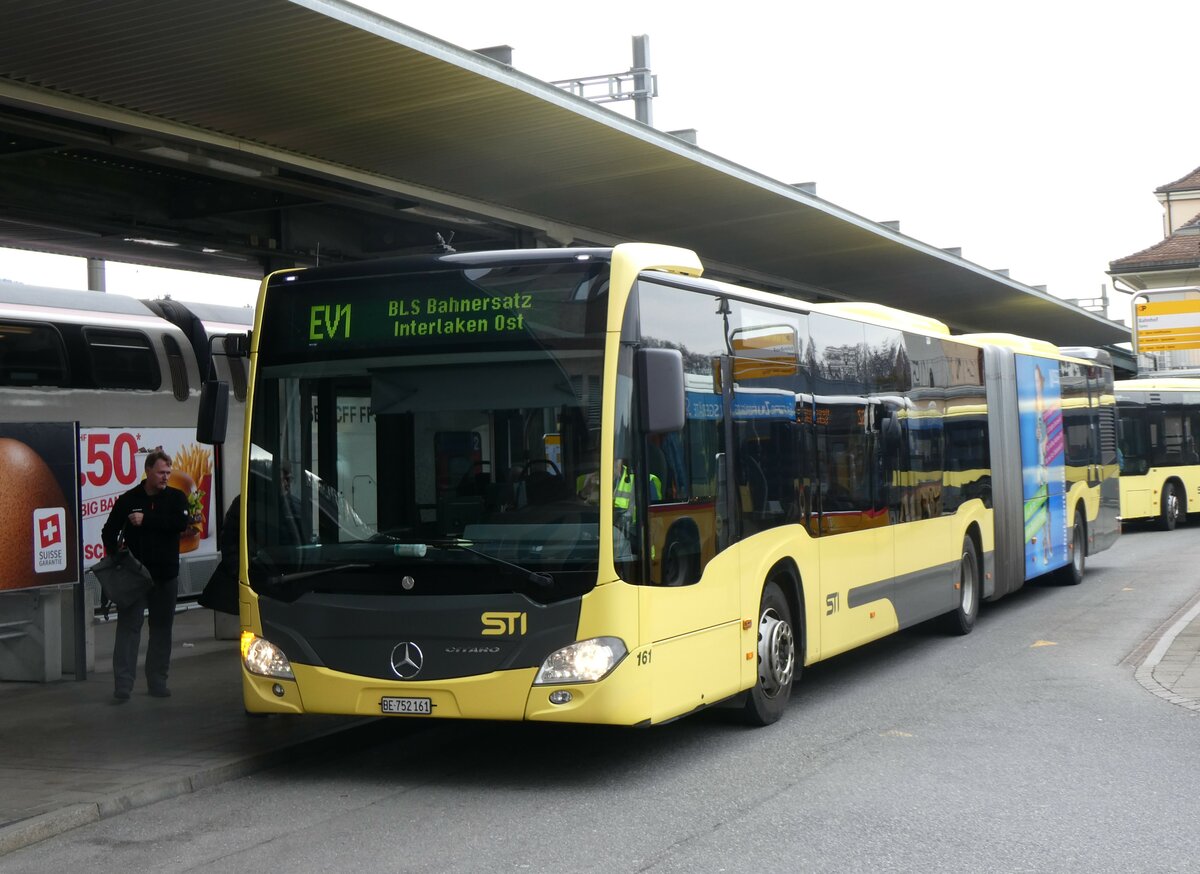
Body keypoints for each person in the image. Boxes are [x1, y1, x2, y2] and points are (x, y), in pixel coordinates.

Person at [101, 448, 189, 701]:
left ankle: (157, 681)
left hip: (165, 575)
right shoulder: (129, 500)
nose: (165, 477)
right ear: (148, 471)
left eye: (168, 473)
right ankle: (123, 686)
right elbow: (109, 531)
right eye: (161, 472)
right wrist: (117, 555)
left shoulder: (176, 498)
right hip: (136, 576)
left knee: (161, 629)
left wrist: (146, 519)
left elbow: (179, 524)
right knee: (129, 629)